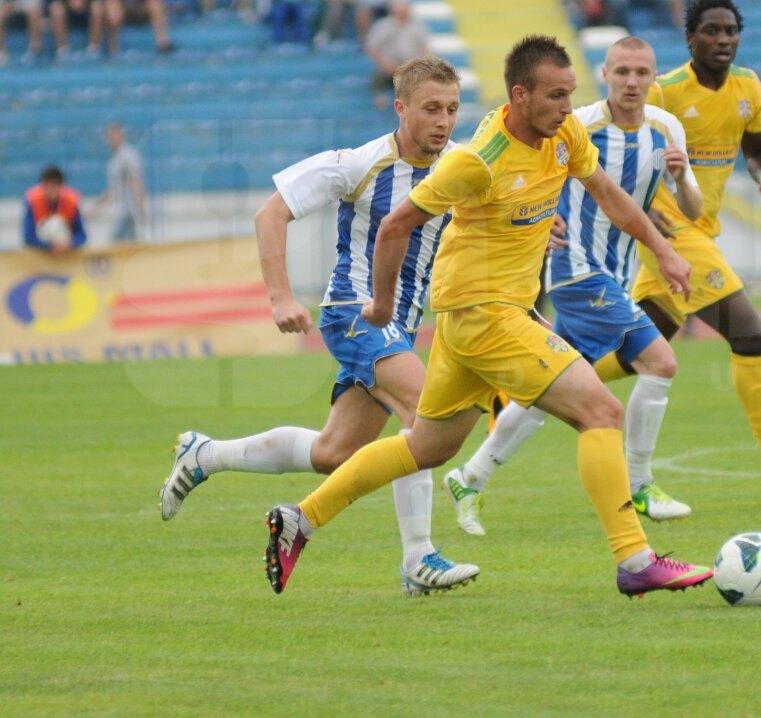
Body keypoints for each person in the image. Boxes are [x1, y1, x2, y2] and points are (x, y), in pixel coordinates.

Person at [261, 35, 712, 598]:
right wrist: (379, 305)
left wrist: (663, 249)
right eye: (555, 96)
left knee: (427, 447)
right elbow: (394, 226)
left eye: (571, 94)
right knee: (600, 410)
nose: (569, 107)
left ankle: (300, 518)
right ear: (520, 96)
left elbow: (606, 192)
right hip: (485, 316)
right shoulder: (478, 160)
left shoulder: (565, 133)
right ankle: (635, 558)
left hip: (471, 319)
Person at [160, 57, 479, 596]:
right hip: (354, 312)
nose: (443, 121)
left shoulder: (459, 168)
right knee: (424, 413)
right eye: (431, 109)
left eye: (451, 109)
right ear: (400, 108)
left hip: (398, 324)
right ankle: (419, 559)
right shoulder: (358, 164)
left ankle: (205, 454)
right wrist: (280, 295)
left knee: (333, 453)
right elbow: (271, 213)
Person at [442, 36, 705, 535]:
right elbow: (533, 170)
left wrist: (683, 188)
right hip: (576, 269)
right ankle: (642, 483)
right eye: (622, 71)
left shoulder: (666, 129)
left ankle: (469, 476)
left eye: (642, 72)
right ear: (605, 74)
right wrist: (543, 221)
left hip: (619, 271)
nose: (632, 81)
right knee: (660, 361)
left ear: (654, 77)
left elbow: (690, 210)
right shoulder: (578, 122)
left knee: (549, 386)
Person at [619, 0, 761, 505]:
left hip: (701, 227)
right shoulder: (666, 91)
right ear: (690, 38)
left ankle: (526, 387)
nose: (723, 40)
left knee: (638, 351)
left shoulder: (749, 86)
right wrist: (640, 210)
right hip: (671, 233)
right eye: (712, 32)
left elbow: (757, 146)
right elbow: (627, 150)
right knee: (750, 334)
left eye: (730, 32)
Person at [365, 0, 430, 105]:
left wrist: (416, 65)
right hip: (388, 66)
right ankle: (379, 99)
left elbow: (425, 50)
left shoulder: (418, 27)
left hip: (411, 66)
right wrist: (385, 63)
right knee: (378, 77)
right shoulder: (383, 26)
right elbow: (372, 48)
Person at [94, 122, 148, 243]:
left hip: (129, 211)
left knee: (115, 243)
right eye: (109, 135)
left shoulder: (127, 155)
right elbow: (113, 189)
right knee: (130, 245)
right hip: (121, 210)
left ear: (122, 134)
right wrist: (95, 208)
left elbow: (136, 181)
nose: (111, 138)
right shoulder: (115, 159)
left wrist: (141, 207)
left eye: (115, 134)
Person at [23, 165, 87, 253]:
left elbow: (82, 235)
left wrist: (70, 244)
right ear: (42, 186)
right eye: (48, 185)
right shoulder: (33, 201)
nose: (51, 189)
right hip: (41, 254)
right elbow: (28, 236)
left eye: (55, 185)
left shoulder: (71, 201)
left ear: (61, 186)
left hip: (66, 253)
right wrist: (49, 245)